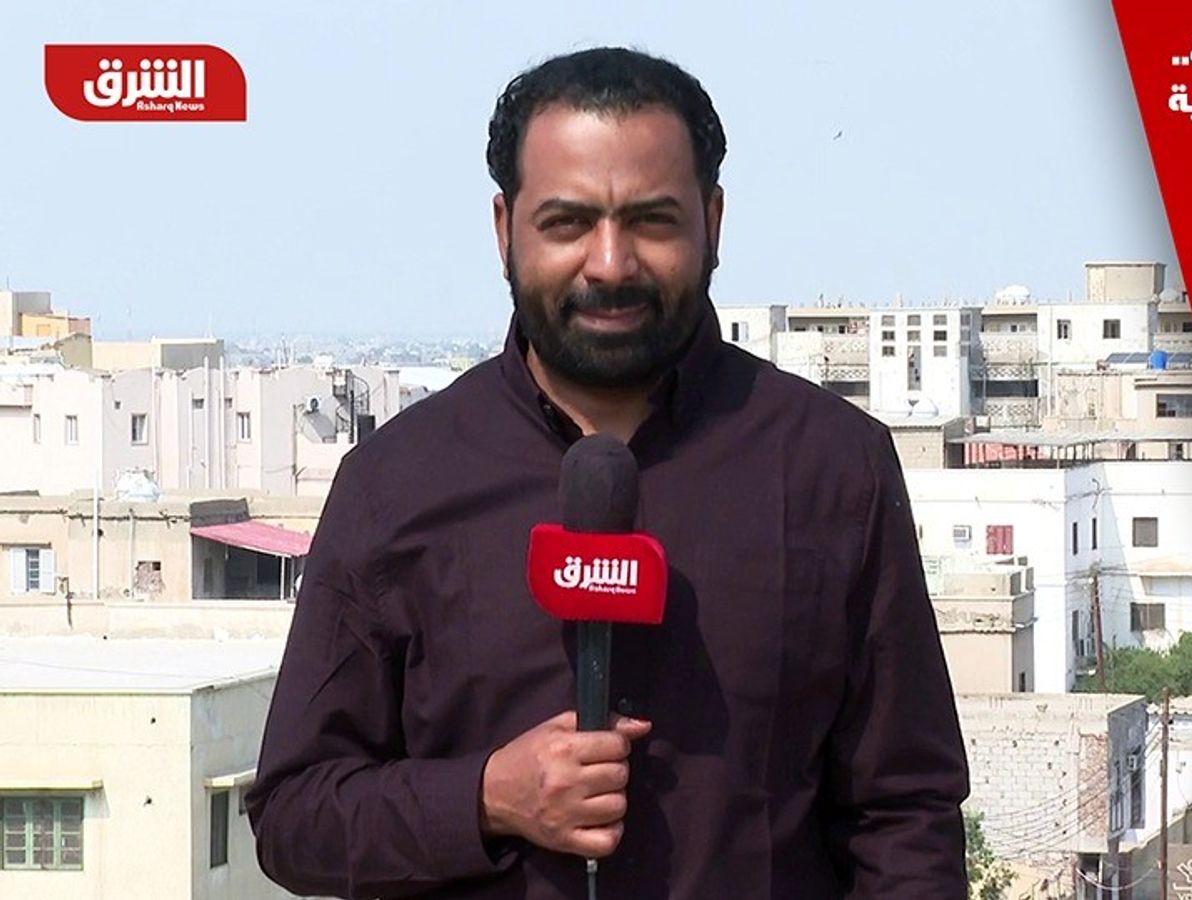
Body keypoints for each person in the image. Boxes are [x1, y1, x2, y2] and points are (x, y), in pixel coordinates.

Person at [246, 46, 968, 899]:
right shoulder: (395, 483)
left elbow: (905, 815)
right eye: (568, 223)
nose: (611, 263)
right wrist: (485, 797)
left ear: (713, 223)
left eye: (653, 222)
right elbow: (295, 817)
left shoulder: (832, 468)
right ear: (505, 230)